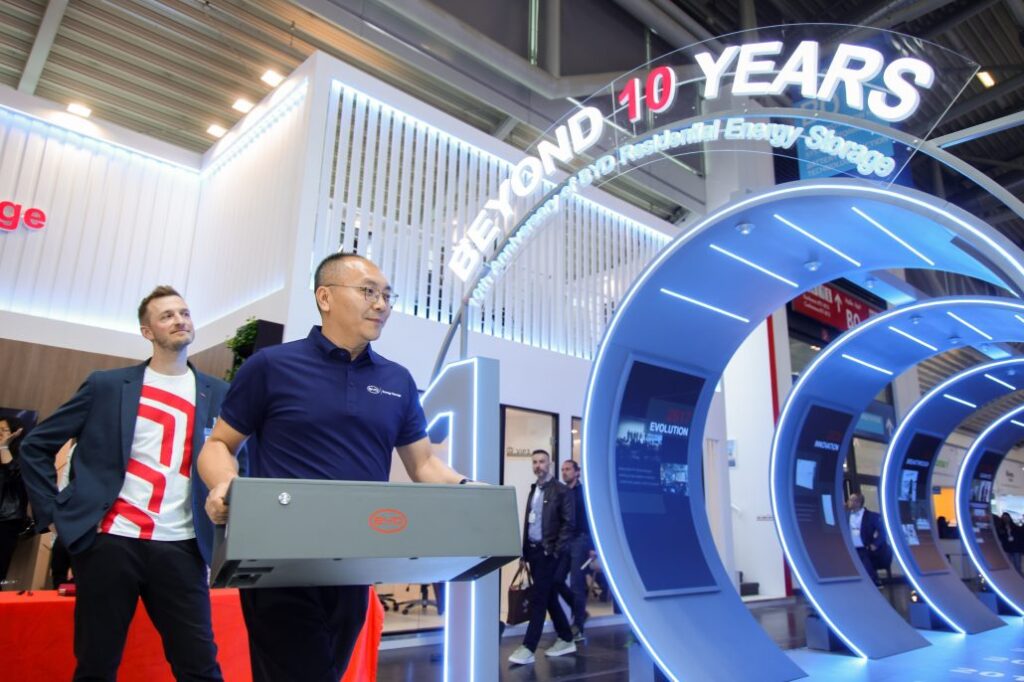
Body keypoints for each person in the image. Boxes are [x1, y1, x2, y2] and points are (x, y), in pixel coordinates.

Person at [198, 252, 471, 682]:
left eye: (387, 296)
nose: (381, 304)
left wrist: (471, 490)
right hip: (278, 561)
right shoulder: (271, 366)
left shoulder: (398, 381)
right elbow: (218, 445)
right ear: (325, 297)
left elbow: (423, 465)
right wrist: (225, 485)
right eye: (368, 292)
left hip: (354, 564)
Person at [19, 285, 227, 681]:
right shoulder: (107, 386)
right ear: (147, 332)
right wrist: (54, 513)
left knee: (200, 665)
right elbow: (35, 445)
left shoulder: (218, 393)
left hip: (182, 545)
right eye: (167, 316)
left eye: (184, 313)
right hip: (110, 542)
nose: (179, 320)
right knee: (97, 665)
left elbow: (235, 459)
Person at [508, 449, 576, 665]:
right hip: (534, 552)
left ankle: (529, 647)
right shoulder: (534, 490)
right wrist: (524, 552)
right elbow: (530, 523)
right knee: (548, 597)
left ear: (550, 464)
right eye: (535, 462)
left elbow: (569, 524)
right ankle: (566, 637)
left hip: (549, 553)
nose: (538, 466)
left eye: (542, 462)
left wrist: (554, 551)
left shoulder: (562, 491)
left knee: (539, 599)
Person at [555, 458, 593, 641]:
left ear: (577, 472)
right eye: (562, 469)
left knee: (577, 584)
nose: (564, 472)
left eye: (568, 469)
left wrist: (592, 546)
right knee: (557, 580)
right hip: (564, 542)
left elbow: (591, 520)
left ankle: (578, 626)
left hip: (580, 540)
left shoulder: (584, 493)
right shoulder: (561, 493)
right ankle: (581, 613)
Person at [0, 417, 28, 588]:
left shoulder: (23, 456)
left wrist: (4, 447)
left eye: (3, 430)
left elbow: (17, 478)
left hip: (6, 520)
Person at [846, 492, 891, 586]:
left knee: (863, 556)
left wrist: (875, 544)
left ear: (858, 503)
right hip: (849, 547)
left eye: (850, 500)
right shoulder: (845, 515)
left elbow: (883, 531)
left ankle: (873, 581)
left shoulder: (872, 516)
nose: (848, 502)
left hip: (865, 546)